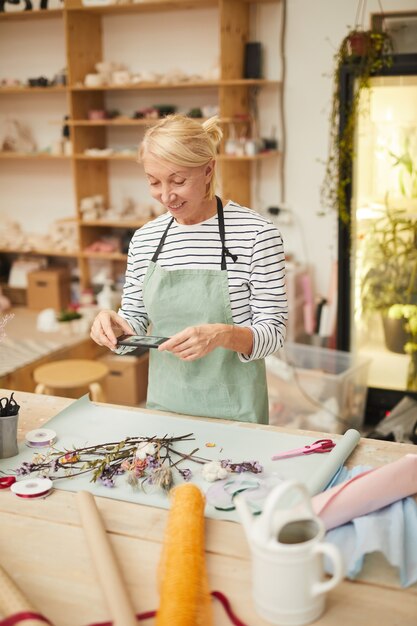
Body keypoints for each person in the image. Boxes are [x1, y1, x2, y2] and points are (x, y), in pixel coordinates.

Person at [90, 115, 287, 424]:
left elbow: (274, 332)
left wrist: (222, 335)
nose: (166, 196)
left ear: (208, 170)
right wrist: (115, 329)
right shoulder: (145, 239)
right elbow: (135, 322)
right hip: (166, 409)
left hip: (237, 412)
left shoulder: (256, 234)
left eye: (178, 181)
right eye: (154, 182)